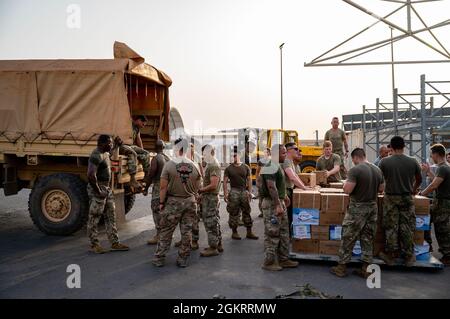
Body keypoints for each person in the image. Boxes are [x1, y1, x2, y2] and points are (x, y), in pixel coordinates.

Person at [330, 148, 384, 278]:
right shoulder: (377, 169)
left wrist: (345, 186)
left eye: (353, 160)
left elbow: (348, 190)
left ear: (355, 157)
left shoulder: (355, 170)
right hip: (372, 207)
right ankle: (366, 268)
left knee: (348, 236)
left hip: (358, 208)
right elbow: (382, 189)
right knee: (367, 238)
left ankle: (341, 267)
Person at [152, 138, 202, 268]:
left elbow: (163, 187)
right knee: (187, 232)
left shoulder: (169, 165)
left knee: (166, 230)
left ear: (176, 148)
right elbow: (198, 187)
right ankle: (183, 259)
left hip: (173, 202)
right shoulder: (195, 165)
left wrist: (162, 203)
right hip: (190, 202)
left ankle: (159, 258)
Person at [378, 136, 422, 267]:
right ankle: (409, 256)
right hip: (407, 197)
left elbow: (381, 181)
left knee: (391, 227)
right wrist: (413, 189)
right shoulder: (413, 161)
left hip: (390, 198)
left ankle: (391, 255)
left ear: (390, 147)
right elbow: (419, 179)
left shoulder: (384, 162)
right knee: (407, 226)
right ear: (404, 146)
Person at [87, 135, 129, 254]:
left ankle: (114, 243)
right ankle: (94, 245)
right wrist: (98, 191)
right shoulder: (96, 155)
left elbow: (111, 151)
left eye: (111, 143)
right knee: (94, 217)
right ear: (102, 143)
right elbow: (90, 175)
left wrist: (117, 145)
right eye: (109, 143)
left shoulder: (105, 153)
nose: (111, 145)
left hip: (106, 189)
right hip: (99, 189)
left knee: (111, 216)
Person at [259, 144, 298, 271]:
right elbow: (271, 186)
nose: (285, 155)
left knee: (283, 232)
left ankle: (283, 259)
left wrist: (284, 196)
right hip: (272, 204)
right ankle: (269, 262)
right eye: (283, 153)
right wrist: (277, 205)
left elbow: (280, 184)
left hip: (279, 202)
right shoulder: (270, 166)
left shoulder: (278, 165)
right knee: (272, 233)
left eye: (286, 152)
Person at [420, 144, 450, 266]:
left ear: (437, 154)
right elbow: (436, 181)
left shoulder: (443, 168)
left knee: (442, 229)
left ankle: (448, 255)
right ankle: (428, 244)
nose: (431, 156)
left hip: (443, 202)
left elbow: (434, 186)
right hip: (441, 202)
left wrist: (421, 194)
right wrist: (428, 172)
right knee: (429, 218)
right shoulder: (444, 167)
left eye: (432, 154)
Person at [224, 147, 258, 241]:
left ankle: (249, 232)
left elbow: (249, 180)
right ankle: (234, 232)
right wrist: (226, 194)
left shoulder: (246, 167)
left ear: (239, 156)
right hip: (234, 192)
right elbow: (225, 181)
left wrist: (250, 193)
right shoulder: (228, 168)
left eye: (234, 156)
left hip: (244, 191)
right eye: (231, 156)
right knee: (233, 212)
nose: (232, 157)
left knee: (247, 211)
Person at [198, 144, 223, 257]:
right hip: (209, 197)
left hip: (210, 197)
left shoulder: (213, 165)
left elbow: (213, 185)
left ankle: (213, 247)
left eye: (204, 153)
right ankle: (217, 244)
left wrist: (201, 190)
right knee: (214, 220)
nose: (203, 156)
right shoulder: (211, 164)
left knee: (210, 222)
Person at [282, 142, 309, 237]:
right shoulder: (286, 161)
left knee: (290, 215)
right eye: (295, 149)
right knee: (285, 217)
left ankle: (288, 236)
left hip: (289, 190)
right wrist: (304, 188)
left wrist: (304, 186)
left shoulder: (291, 162)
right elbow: (292, 177)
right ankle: (285, 238)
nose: (298, 151)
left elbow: (296, 176)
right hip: (285, 191)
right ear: (289, 150)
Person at [146, 140, 170, 245]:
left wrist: (146, 187)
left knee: (156, 210)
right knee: (164, 210)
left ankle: (159, 235)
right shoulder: (168, 158)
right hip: (167, 187)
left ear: (155, 148)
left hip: (158, 187)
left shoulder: (156, 159)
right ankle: (167, 233)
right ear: (163, 147)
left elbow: (151, 173)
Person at [119, 115, 151, 191]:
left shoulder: (137, 129)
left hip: (130, 146)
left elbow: (138, 139)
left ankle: (146, 176)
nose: (143, 126)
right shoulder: (127, 124)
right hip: (122, 145)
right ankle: (132, 179)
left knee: (146, 153)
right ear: (139, 120)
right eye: (143, 124)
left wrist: (142, 151)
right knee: (132, 153)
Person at [256, 148, 271, 218]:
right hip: (262, 179)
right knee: (261, 196)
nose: (265, 153)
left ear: (269, 153)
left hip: (270, 179)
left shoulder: (272, 160)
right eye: (264, 152)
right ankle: (262, 212)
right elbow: (257, 171)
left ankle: (270, 211)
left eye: (266, 152)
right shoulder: (260, 161)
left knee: (270, 196)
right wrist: (257, 180)